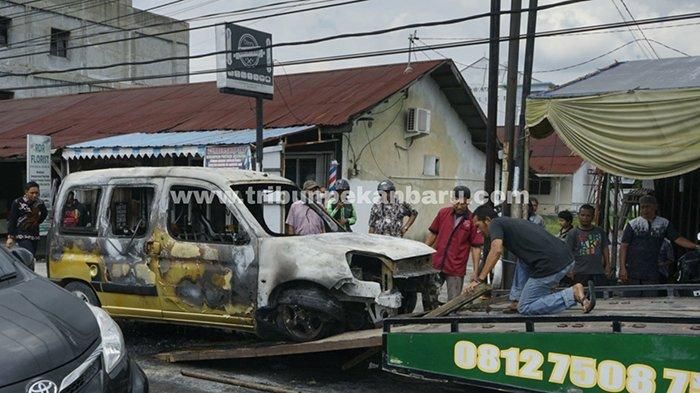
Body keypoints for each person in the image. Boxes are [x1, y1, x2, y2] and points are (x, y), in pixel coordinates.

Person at [466, 205, 595, 315]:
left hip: (551, 264)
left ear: (487, 220)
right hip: (562, 257)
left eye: (478, 226)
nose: (478, 231)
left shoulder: (495, 223)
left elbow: (496, 250)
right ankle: (517, 299)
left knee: (525, 307)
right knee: (523, 260)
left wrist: (479, 280)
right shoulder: (510, 223)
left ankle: (571, 294)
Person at [619, 195, 699, 289]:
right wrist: (622, 268)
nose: (645, 210)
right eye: (642, 207)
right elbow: (624, 246)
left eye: (648, 207)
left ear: (655, 207)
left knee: (652, 300)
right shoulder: (633, 224)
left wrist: (696, 246)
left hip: (652, 271)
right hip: (633, 270)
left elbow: (677, 239)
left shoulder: (663, 223)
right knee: (632, 301)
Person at [425, 186, 483, 301]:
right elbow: (433, 234)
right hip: (436, 264)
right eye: (457, 203)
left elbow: (476, 247)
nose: (459, 206)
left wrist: (475, 272)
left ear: (468, 201)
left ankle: (451, 319)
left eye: (463, 204)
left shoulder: (472, 220)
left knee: (453, 302)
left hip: (456, 268)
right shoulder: (443, 213)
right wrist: (423, 253)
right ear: (453, 200)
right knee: (429, 298)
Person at [566, 204, 610, 286]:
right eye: (582, 215)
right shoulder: (573, 233)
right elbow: (568, 252)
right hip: (579, 272)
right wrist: (569, 270)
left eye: (588, 216)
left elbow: (605, 248)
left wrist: (607, 265)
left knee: (598, 296)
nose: (585, 218)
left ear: (593, 217)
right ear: (578, 215)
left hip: (597, 271)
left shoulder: (599, 231)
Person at [6, 181, 48, 256]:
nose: (35, 195)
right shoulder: (17, 202)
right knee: (29, 254)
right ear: (26, 192)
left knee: (31, 258)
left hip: (34, 234)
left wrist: (37, 221)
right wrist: (11, 236)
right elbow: (12, 219)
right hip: (22, 235)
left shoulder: (40, 203)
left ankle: (29, 268)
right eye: (32, 193)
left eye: (37, 193)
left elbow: (45, 213)